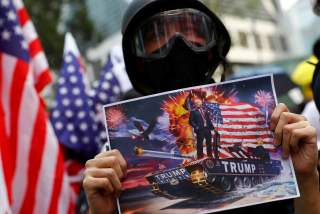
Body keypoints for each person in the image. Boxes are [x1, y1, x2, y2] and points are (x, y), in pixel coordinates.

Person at [83, 0, 320, 213]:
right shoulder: (117, 155)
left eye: (189, 29)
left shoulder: (265, 126)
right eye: (158, 35)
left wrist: (306, 178)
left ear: (211, 42)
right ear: (137, 57)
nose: (177, 43)